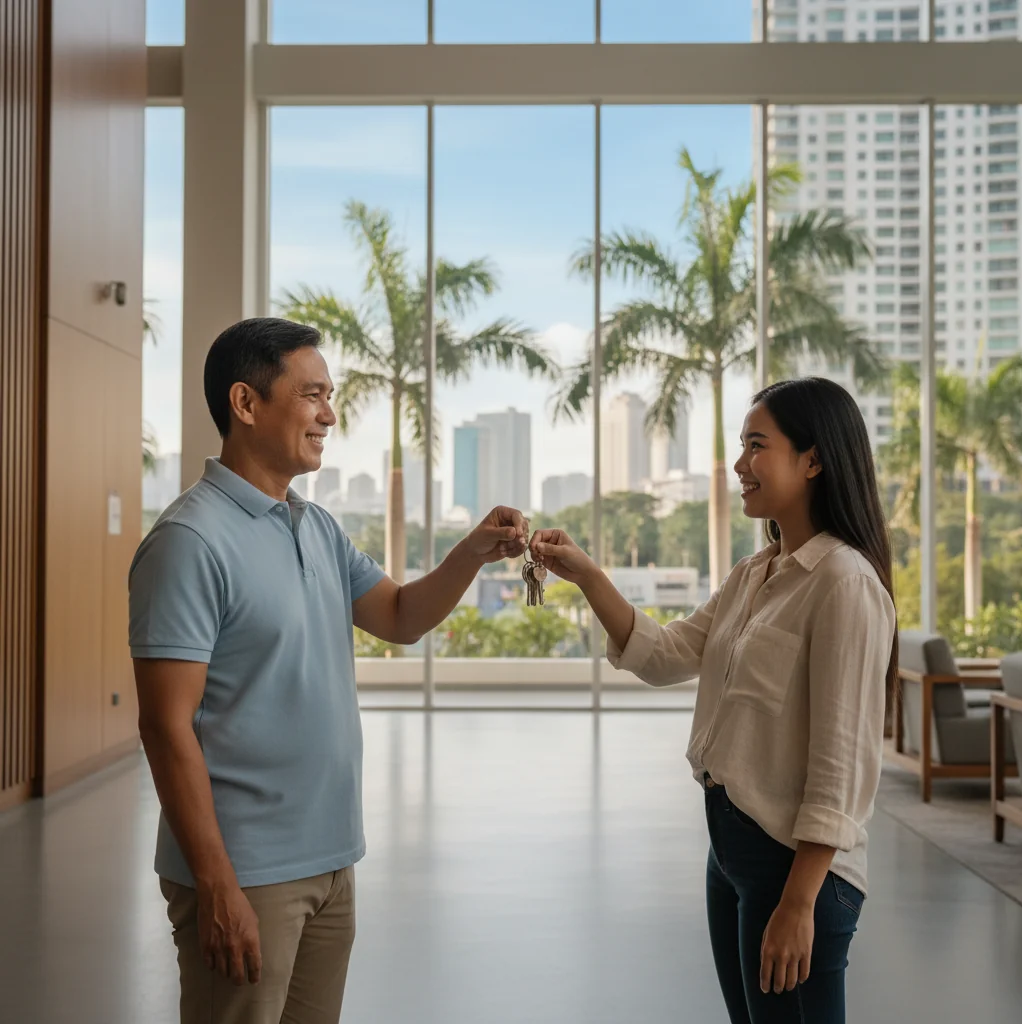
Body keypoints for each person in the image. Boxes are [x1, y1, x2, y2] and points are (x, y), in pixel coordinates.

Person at [129, 317, 527, 1024]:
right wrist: (217, 883)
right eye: (311, 394)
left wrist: (472, 552)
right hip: (245, 871)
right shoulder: (188, 543)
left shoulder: (316, 526)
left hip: (332, 860)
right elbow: (165, 727)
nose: (329, 414)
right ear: (245, 404)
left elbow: (400, 617)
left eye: (330, 395)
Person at [529, 377, 897, 1024]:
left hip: (795, 868)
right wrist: (586, 576)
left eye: (758, 445)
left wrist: (799, 902)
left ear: (813, 459)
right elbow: (667, 654)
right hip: (731, 850)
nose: (739, 464)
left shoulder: (844, 584)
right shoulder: (756, 573)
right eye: (740, 445)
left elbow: (843, 762)